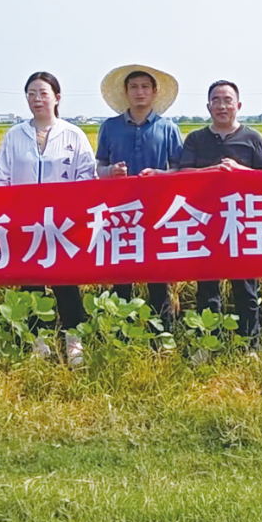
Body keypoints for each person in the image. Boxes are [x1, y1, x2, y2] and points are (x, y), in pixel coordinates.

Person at [0, 72, 97, 366]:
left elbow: (86, 176)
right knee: (31, 283)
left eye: (43, 93)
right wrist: (8, 213)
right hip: (25, 223)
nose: (37, 99)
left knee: (66, 282)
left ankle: (73, 341)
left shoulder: (73, 135)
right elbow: (1, 176)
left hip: (63, 224)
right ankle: (39, 342)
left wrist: (72, 210)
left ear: (57, 98)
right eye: (31, 94)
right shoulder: (15, 135)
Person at [176, 80, 262, 344]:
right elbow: (183, 174)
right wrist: (213, 171)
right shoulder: (196, 139)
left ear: (238, 105)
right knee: (207, 287)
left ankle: (250, 344)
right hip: (204, 221)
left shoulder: (252, 138)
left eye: (227, 100)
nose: (222, 106)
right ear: (208, 106)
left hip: (243, 221)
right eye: (216, 100)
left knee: (246, 286)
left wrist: (240, 171)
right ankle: (208, 342)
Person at [94, 65, 183, 332]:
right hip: (119, 212)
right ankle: (122, 332)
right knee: (122, 274)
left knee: (158, 275)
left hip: (157, 212)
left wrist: (160, 174)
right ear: (126, 92)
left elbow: (180, 170)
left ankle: (162, 334)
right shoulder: (110, 128)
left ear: (154, 92)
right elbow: (99, 166)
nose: (139, 92)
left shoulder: (168, 128)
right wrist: (110, 172)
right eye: (134, 87)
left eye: (145, 87)